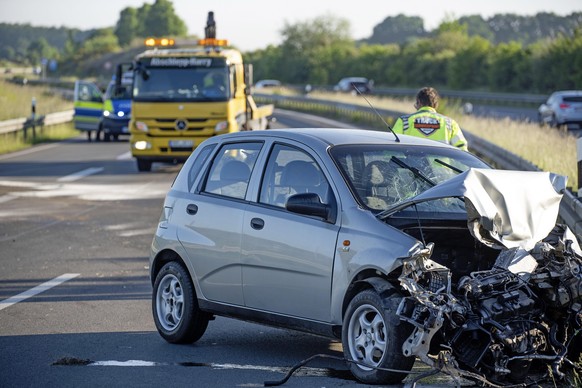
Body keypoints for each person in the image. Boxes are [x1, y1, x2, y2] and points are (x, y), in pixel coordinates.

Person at [392, 87, 468, 151]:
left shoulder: (404, 121)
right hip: (442, 168)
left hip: (410, 167)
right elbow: (462, 148)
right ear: (436, 104)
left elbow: (392, 145)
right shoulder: (449, 123)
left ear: (419, 102)